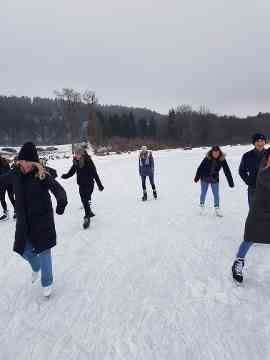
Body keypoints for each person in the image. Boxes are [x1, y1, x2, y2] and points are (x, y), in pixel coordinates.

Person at [0, 142, 67, 297]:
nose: (23, 164)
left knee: (44, 252)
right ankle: (35, 266)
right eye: (21, 162)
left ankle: (47, 282)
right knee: (22, 249)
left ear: (33, 162)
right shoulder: (15, 174)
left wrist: (61, 202)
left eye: (26, 162)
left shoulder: (41, 174)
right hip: (24, 221)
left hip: (42, 220)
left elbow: (58, 189)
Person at [232, 149, 270, 283]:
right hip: (259, 212)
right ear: (267, 159)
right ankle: (239, 261)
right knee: (250, 237)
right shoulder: (263, 172)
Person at [61, 146, 104, 229]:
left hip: (89, 184)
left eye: (77, 154)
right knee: (84, 199)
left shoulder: (88, 161)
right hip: (81, 185)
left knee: (85, 199)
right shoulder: (76, 162)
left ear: (82, 154)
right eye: (75, 154)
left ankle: (87, 217)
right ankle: (89, 211)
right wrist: (66, 176)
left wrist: (99, 185)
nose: (76, 155)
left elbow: (94, 174)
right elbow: (72, 171)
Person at [194, 146, 234, 216]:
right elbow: (200, 168)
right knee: (203, 193)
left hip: (214, 179)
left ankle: (217, 208)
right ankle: (202, 206)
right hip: (204, 178)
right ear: (211, 152)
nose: (215, 154)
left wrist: (230, 182)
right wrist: (197, 178)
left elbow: (227, 170)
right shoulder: (207, 158)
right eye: (214, 152)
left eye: (217, 152)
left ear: (219, 152)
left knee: (216, 194)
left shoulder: (222, 159)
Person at [239, 133, 266, 207]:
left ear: (265, 142)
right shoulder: (247, 156)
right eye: (257, 141)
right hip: (253, 189)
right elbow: (241, 171)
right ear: (254, 143)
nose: (260, 143)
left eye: (262, 141)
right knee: (253, 212)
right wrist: (248, 181)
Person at [0, 156, 16, 221]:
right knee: (2, 198)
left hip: (9, 183)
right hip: (1, 184)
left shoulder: (5, 162)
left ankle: (16, 211)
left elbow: (8, 174)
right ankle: (6, 213)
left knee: (11, 197)